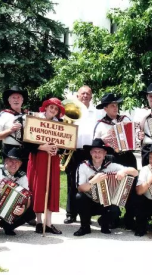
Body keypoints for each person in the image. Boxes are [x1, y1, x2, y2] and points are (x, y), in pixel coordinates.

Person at [73, 138, 138, 236]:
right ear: (90, 153)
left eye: (100, 152)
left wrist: (124, 171)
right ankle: (85, 227)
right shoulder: (83, 166)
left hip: (106, 203)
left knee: (115, 210)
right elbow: (80, 188)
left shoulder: (111, 165)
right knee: (79, 197)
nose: (97, 154)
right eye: (95, 151)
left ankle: (104, 224)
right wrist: (94, 181)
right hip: (89, 202)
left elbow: (135, 172)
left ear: (105, 154)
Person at [94, 93, 137, 229]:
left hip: (128, 156)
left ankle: (130, 217)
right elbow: (95, 143)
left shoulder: (125, 119)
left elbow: (135, 136)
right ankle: (112, 216)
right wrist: (103, 140)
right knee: (113, 186)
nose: (115, 107)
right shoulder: (101, 125)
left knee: (131, 185)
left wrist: (139, 135)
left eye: (116, 105)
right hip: (112, 157)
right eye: (112, 105)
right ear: (105, 108)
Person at [27, 98, 65, 234]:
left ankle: (48, 223)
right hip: (38, 158)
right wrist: (42, 147)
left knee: (51, 187)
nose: (53, 110)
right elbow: (27, 141)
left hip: (52, 159)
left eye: (56, 109)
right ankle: (38, 222)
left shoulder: (60, 123)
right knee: (39, 187)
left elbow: (64, 142)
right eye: (51, 107)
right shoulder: (35, 119)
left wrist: (57, 150)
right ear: (46, 107)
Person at [64, 85, 102, 224]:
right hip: (74, 151)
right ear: (77, 96)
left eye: (88, 93)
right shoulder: (70, 110)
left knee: (89, 182)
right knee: (71, 182)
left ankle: (86, 213)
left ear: (91, 96)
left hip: (90, 152)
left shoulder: (98, 112)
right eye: (82, 93)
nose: (85, 96)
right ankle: (71, 213)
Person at [0, 86, 29, 172]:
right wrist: (11, 130)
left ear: (22, 100)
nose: (16, 100)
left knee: (25, 177)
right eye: (13, 98)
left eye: (18, 97)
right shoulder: (3, 114)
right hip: (9, 150)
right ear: (9, 101)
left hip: (26, 151)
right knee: (9, 177)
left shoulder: (28, 115)